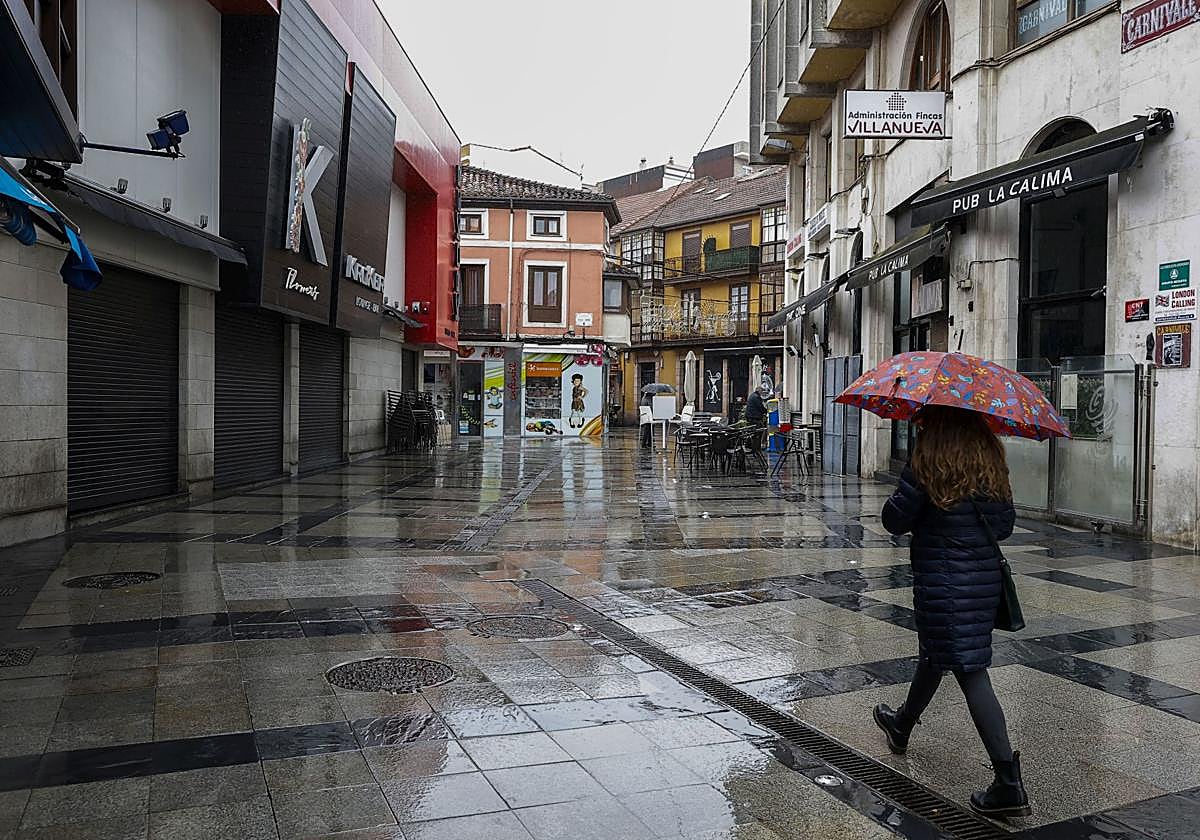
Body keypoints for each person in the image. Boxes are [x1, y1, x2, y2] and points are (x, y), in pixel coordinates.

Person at [872, 404, 1029, 819]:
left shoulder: (928, 458)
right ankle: (902, 724)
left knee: (969, 669)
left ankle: (1008, 784)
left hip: (944, 581)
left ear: (935, 421)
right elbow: (1005, 526)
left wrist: (910, 494)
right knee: (938, 651)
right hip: (980, 582)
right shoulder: (990, 457)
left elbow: (894, 520)